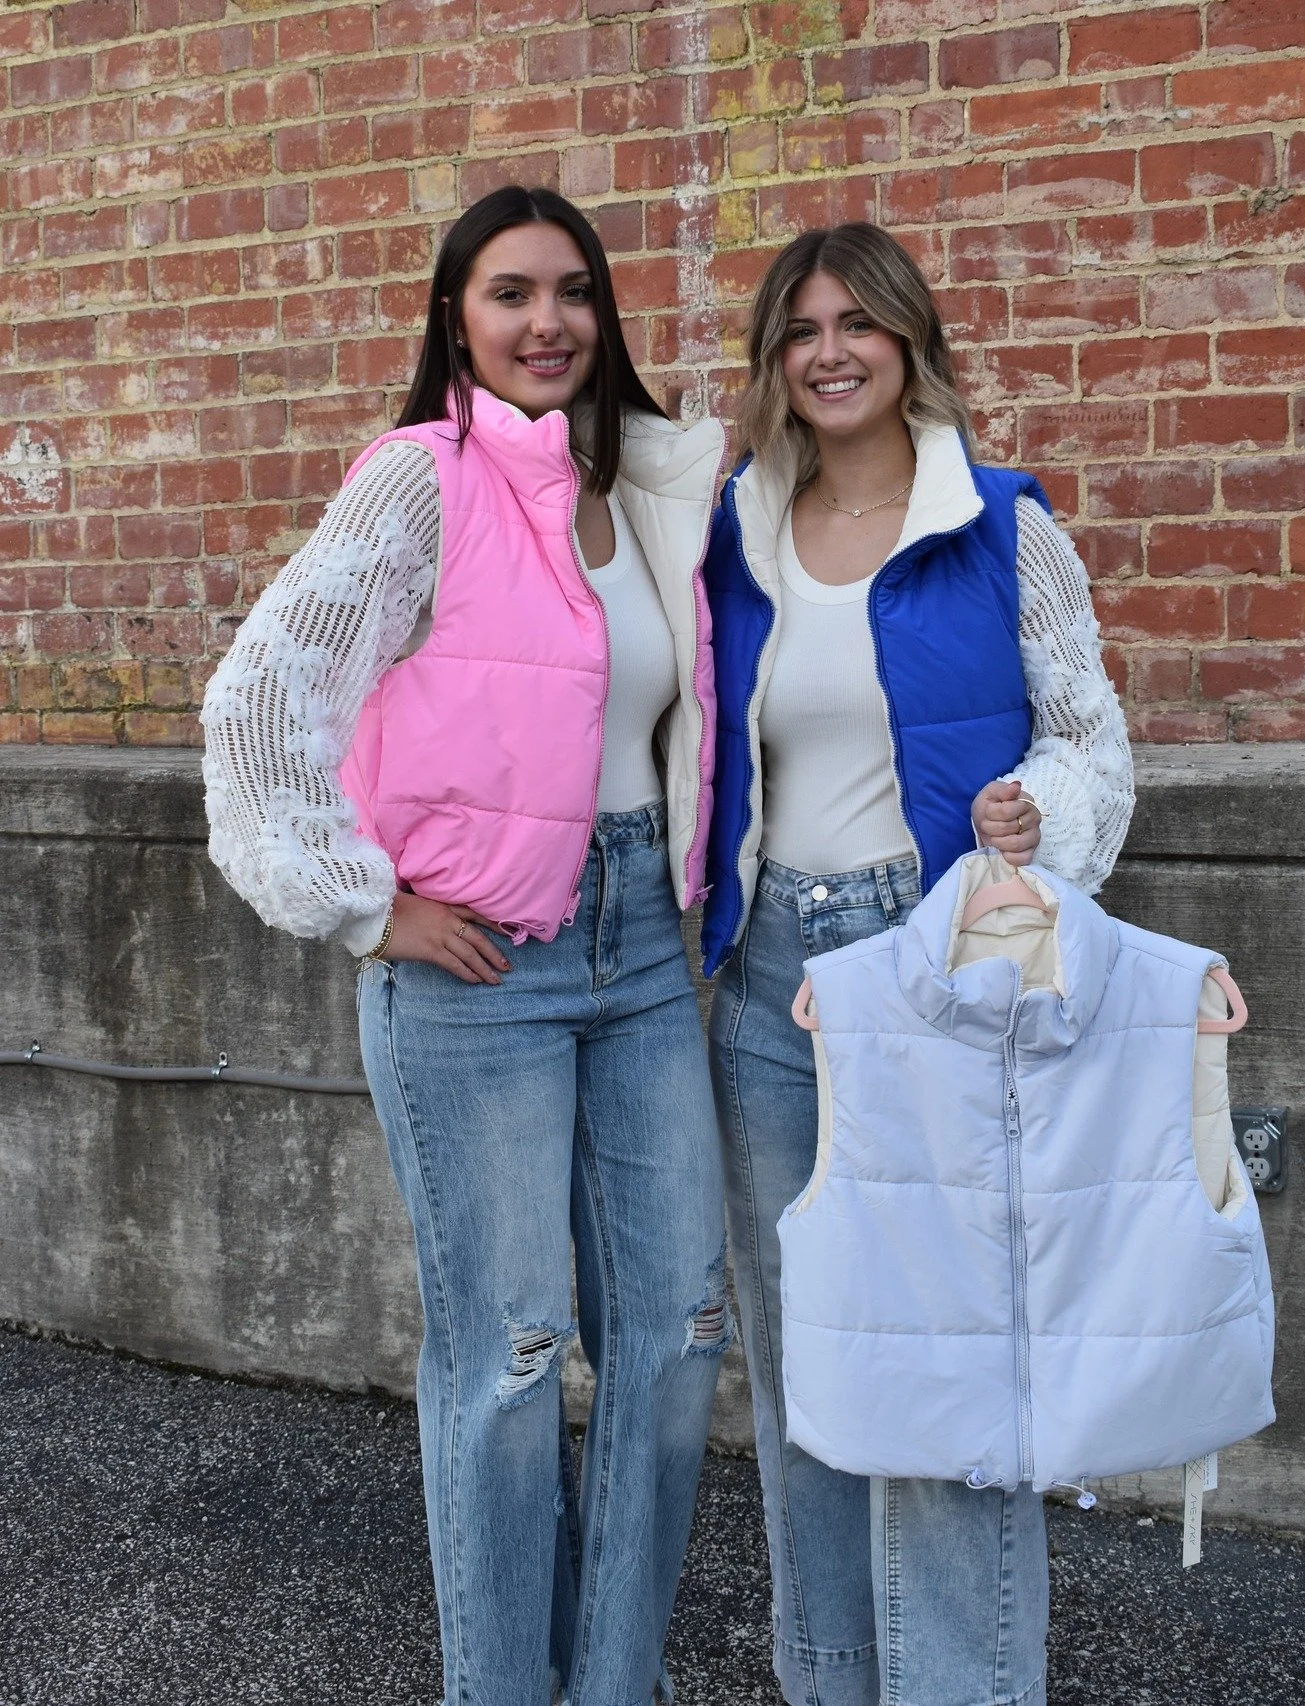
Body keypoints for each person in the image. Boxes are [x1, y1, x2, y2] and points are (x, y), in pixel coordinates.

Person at [201, 185, 730, 1706]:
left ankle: (613, 1682)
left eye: (574, 291)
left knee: (677, 1328)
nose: (547, 322)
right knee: (509, 1354)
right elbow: (258, 700)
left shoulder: (646, 485)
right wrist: (368, 904)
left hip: (643, 951)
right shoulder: (419, 478)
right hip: (476, 967)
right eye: (511, 293)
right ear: (457, 319)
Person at [701, 223, 1135, 1706]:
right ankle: (829, 1681)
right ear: (775, 360)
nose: (829, 352)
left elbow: (1090, 741)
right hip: (769, 988)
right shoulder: (737, 535)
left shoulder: (1000, 525)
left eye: (857, 324)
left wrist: (1038, 817)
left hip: (933, 969)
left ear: (910, 341)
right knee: (809, 1365)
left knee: (950, 1369)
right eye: (801, 329)